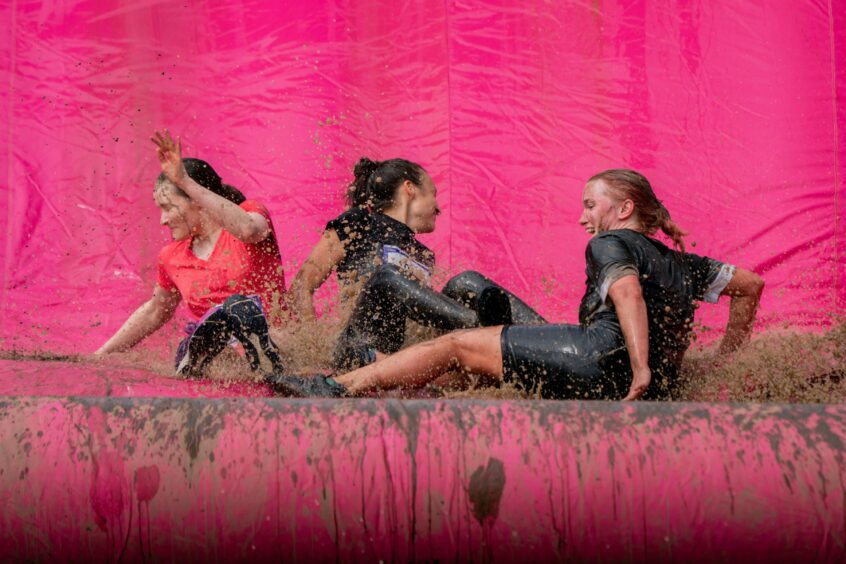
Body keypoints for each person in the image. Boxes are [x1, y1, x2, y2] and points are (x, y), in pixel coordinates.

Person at [271, 169, 765, 401]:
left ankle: (334, 387)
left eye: (590, 205)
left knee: (460, 345)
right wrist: (723, 357)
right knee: (477, 360)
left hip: (601, 362)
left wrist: (640, 369)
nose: (582, 218)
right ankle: (396, 374)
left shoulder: (611, 244)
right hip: (634, 376)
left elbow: (628, 295)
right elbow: (751, 285)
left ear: (624, 209)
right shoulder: (686, 263)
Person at [289, 157, 544, 370]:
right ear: (410, 188)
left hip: (399, 353)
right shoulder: (358, 222)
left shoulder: (421, 254)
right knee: (387, 276)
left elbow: (419, 320)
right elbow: (302, 284)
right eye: (434, 194)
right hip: (357, 346)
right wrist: (315, 347)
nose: (438, 207)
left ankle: (547, 336)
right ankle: (484, 325)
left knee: (464, 281)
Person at [95, 131, 288, 376]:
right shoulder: (170, 256)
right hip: (218, 356)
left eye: (168, 208)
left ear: (197, 200)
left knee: (236, 308)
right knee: (210, 331)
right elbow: (155, 311)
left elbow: (249, 230)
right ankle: (207, 353)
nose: (163, 220)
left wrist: (184, 181)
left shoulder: (249, 213)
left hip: (272, 346)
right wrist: (100, 356)